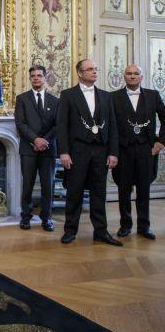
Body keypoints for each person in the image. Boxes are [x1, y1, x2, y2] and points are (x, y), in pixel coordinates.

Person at [57, 59, 122, 246]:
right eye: (90, 69)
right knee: (74, 192)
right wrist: (64, 152)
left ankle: (101, 232)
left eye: (95, 69)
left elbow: (113, 127)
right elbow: (61, 126)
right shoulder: (68, 95)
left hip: (101, 151)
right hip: (77, 151)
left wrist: (113, 153)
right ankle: (70, 231)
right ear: (80, 73)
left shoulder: (106, 96)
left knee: (99, 193)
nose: (94, 72)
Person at [111, 64, 165, 240]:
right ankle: (125, 225)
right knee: (123, 190)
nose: (132, 76)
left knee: (144, 190)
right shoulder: (113, 97)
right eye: (129, 73)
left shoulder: (153, 95)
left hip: (146, 150)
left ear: (141, 77)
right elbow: (109, 125)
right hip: (122, 150)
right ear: (124, 76)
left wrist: (160, 142)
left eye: (136, 74)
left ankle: (144, 227)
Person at [14, 65, 59, 231]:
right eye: (33, 75)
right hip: (28, 149)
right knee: (27, 185)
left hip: (48, 149)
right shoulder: (22, 99)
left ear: (45, 78)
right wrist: (35, 140)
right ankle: (26, 217)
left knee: (48, 186)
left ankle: (47, 218)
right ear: (30, 78)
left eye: (39, 75)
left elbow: (57, 125)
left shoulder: (55, 101)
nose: (36, 78)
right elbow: (20, 124)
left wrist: (44, 141)